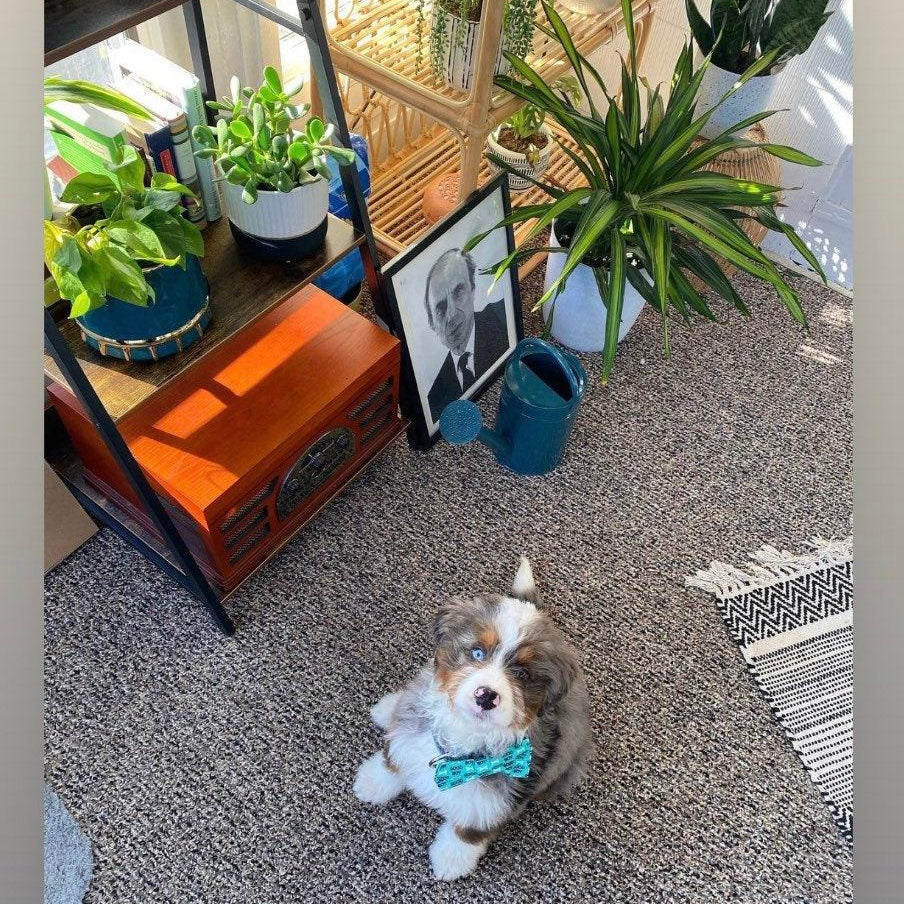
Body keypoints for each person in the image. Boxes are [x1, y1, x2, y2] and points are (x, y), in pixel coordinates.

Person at [423, 248, 509, 424]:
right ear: (432, 324)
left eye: (458, 292)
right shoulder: (434, 399)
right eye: (441, 308)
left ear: (473, 289)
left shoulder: (504, 319)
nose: (452, 314)